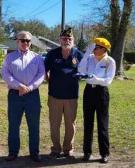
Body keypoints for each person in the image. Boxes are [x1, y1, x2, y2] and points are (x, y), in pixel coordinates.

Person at [2, 31, 45, 162]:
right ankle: (13, 152)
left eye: (28, 41)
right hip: (15, 94)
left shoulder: (37, 58)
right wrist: (19, 86)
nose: (25, 43)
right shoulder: (10, 57)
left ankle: (34, 152)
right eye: (23, 40)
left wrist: (29, 87)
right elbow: (5, 74)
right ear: (17, 42)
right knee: (14, 124)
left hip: (32, 95)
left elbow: (41, 75)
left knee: (34, 125)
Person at [44, 27, 83, 158]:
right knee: (54, 124)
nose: (66, 40)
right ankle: (56, 148)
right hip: (54, 96)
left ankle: (68, 149)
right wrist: (48, 79)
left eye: (69, 38)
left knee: (70, 124)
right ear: (59, 40)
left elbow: (86, 70)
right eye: (64, 38)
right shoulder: (52, 54)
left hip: (71, 97)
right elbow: (43, 70)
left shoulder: (78, 54)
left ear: (73, 40)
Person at [78, 37, 116, 163]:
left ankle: (104, 153)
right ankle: (87, 152)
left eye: (96, 47)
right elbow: (81, 70)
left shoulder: (110, 61)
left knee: (102, 124)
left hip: (101, 92)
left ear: (103, 49)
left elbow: (108, 80)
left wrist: (96, 80)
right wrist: (86, 55)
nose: (94, 49)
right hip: (89, 91)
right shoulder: (89, 58)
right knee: (88, 123)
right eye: (94, 47)